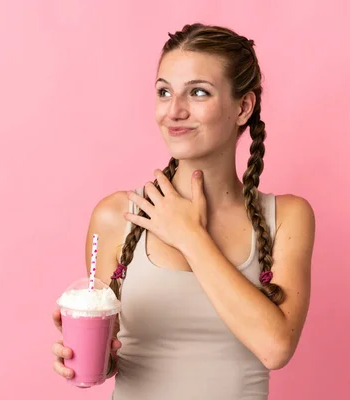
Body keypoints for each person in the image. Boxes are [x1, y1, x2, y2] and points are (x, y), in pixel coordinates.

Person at [51, 22, 315, 400]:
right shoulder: (116, 216)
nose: (173, 111)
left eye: (198, 93)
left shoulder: (288, 217)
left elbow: (275, 347)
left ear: (243, 107)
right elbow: (116, 356)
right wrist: (89, 357)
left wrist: (191, 237)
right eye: (164, 92)